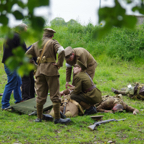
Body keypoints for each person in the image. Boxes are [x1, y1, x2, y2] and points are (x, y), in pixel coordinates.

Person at [26, 28, 71, 124]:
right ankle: (58, 119)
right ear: (52, 36)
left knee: (40, 95)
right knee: (55, 94)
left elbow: (26, 55)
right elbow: (62, 51)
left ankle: (39, 117)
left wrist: (34, 65)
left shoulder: (36, 43)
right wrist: (59, 63)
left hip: (39, 71)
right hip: (51, 71)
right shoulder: (53, 42)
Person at [1, 23, 27, 110]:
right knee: (11, 83)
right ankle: (5, 105)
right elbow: (25, 51)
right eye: (25, 29)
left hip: (8, 63)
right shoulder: (19, 37)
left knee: (18, 82)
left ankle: (18, 100)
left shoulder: (10, 35)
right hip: (13, 65)